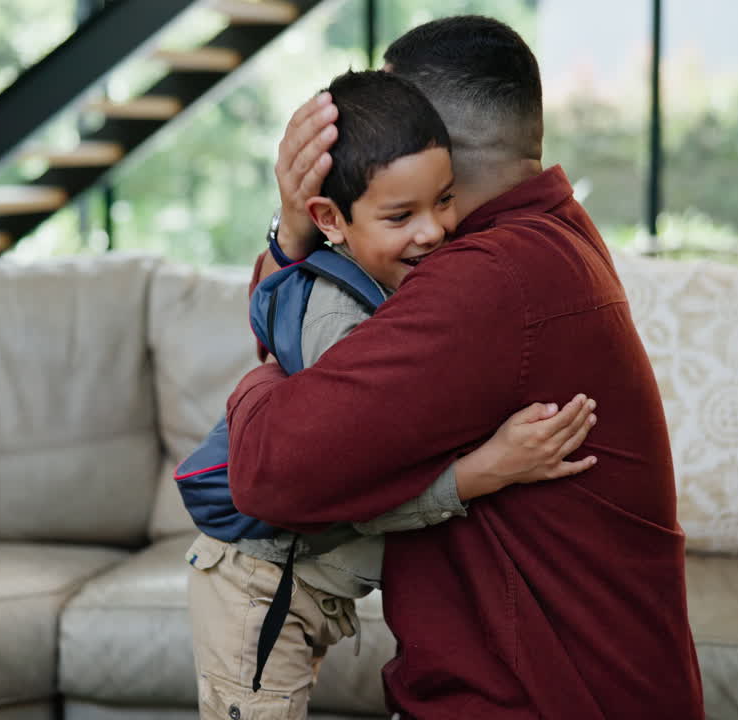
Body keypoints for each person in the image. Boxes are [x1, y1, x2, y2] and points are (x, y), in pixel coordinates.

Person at [227, 16, 705, 719]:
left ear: (433, 147)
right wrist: (294, 232)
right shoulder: (549, 236)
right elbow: (303, 336)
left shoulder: (493, 278)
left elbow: (266, 471)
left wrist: (251, 385)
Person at [187, 70, 598, 720]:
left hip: (309, 582)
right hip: (261, 582)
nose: (434, 231)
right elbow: (345, 488)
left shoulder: (399, 273)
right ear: (329, 219)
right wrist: (480, 473)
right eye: (401, 215)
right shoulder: (335, 317)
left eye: (445, 200)